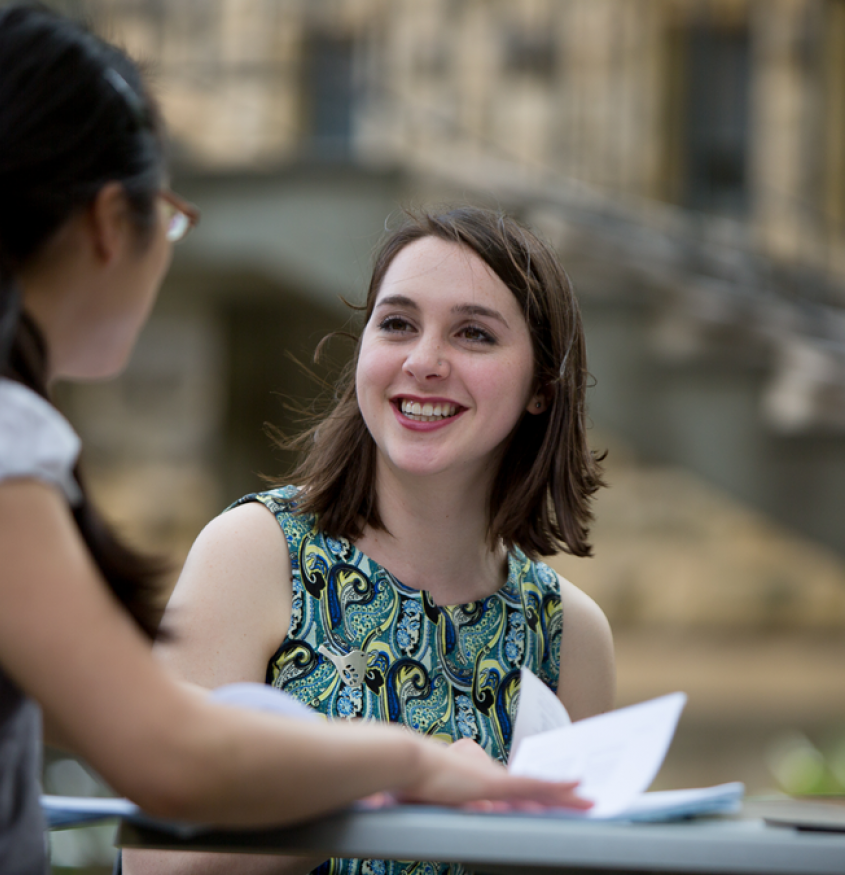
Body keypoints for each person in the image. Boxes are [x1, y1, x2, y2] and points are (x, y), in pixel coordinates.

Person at [0, 10, 590, 875]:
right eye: (171, 219)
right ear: (115, 222)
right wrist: (416, 762)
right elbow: (165, 756)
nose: (425, 361)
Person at [124, 206, 616, 875]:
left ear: (541, 387)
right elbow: (155, 864)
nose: (423, 361)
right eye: (397, 324)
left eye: (473, 333)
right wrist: (382, 786)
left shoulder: (571, 633)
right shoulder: (255, 554)